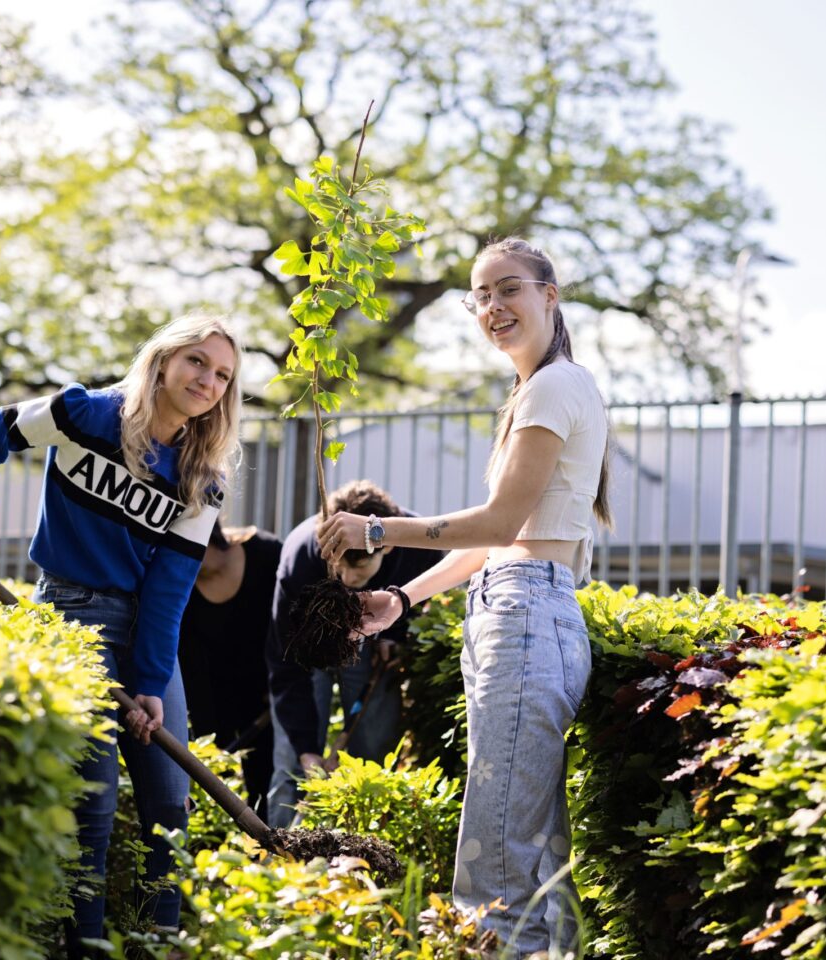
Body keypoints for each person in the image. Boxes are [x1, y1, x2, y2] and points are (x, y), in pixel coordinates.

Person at [317, 238, 610, 956]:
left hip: (526, 616)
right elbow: (505, 540)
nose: (492, 308)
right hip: (527, 606)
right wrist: (404, 598)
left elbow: (500, 525)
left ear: (550, 294)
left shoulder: (551, 387)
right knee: (533, 856)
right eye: (479, 296)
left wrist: (377, 527)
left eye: (508, 289)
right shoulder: (541, 390)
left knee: (495, 868)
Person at [0, 314, 244, 954]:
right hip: (70, 614)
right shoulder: (83, 413)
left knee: (169, 799)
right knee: (96, 805)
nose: (208, 381)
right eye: (197, 362)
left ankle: (159, 938)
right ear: (163, 360)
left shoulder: (203, 477)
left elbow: (168, 589)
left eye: (223, 374)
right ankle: (82, 944)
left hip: (146, 632)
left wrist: (147, 684)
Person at [266, 480, 443, 827]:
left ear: (387, 547)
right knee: (292, 765)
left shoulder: (418, 547)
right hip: (309, 645)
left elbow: (426, 600)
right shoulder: (301, 559)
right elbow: (285, 663)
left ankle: (362, 850)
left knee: (371, 755)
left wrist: (398, 636)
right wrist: (306, 748)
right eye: (339, 569)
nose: (346, 579)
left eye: (358, 570)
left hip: (375, 643)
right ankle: (280, 856)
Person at [177, 521, 282, 821]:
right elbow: (191, 666)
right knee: (215, 792)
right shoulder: (182, 587)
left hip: (267, 694)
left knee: (265, 781)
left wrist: (281, 687)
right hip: (215, 696)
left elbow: (291, 626)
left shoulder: (266, 553)